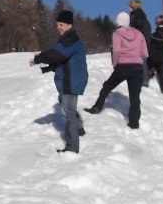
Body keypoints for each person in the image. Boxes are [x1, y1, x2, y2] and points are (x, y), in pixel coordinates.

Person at [30, 10, 88, 153]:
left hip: (71, 80)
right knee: (64, 102)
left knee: (68, 112)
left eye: (61, 24)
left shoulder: (71, 38)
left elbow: (56, 54)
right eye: (57, 25)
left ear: (69, 24)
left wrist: (38, 58)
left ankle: (72, 147)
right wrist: (48, 67)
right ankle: (78, 127)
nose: (58, 27)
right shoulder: (68, 38)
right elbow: (62, 58)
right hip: (70, 79)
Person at [84, 11, 149, 129]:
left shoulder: (117, 33)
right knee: (135, 98)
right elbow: (144, 52)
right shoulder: (139, 34)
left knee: (107, 86)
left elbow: (117, 50)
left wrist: (115, 63)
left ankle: (97, 107)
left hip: (123, 66)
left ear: (119, 22)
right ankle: (134, 123)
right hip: (137, 67)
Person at [128, 0, 152, 87]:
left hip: (139, 43)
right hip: (144, 42)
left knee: (141, 60)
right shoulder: (143, 18)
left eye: (130, 6)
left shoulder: (136, 17)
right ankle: (142, 79)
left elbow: (134, 30)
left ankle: (144, 80)